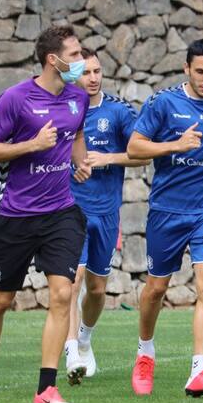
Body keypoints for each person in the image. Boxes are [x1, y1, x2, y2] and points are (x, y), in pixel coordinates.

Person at [0, 25, 92, 403]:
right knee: (0, 302)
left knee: (62, 294)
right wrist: (32, 145)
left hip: (60, 212)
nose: (81, 61)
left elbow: (76, 134)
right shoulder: (16, 98)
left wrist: (79, 162)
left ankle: (46, 390)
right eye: (75, 55)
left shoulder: (78, 97)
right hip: (14, 216)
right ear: (53, 60)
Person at [127, 39, 203, 397]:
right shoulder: (163, 103)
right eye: (201, 71)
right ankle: (145, 352)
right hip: (167, 210)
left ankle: (199, 371)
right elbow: (134, 147)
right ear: (186, 68)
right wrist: (175, 145)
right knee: (156, 289)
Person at [64, 48, 149, 385]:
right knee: (72, 281)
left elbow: (143, 154)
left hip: (106, 212)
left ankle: (85, 339)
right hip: (70, 209)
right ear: (74, 76)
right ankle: (72, 352)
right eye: (86, 72)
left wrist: (108, 158)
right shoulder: (63, 109)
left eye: (97, 71)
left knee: (97, 289)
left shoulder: (118, 111)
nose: (93, 78)